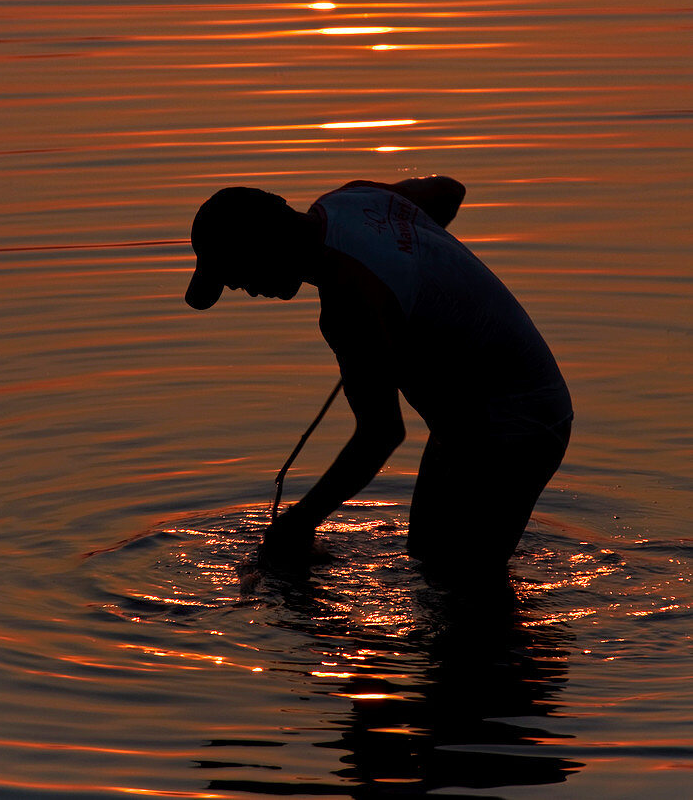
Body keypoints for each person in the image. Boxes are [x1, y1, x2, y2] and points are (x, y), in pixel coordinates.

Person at [184, 177, 572, 579]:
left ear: (263, 246)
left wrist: (296, 524)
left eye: (239, 274)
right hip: (471, 419)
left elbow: (381, 435)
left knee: (463, 581)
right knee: (428, 557)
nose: (245, 290)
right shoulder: (352, 200)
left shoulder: (350, 303)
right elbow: (447, 192)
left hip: (518, 426)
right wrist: (410, 260)